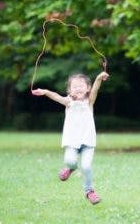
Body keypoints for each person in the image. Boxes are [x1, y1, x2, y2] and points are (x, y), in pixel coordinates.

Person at [32, 71, 109, 205]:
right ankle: (71, 168)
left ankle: (89, 191)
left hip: (88, 142)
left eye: (81, 85)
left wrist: (98, 78)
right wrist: (45, 91)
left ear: (88, 88)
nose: (78, 88)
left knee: (86, 167)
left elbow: (96, 88)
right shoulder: (69, 102)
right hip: (72, 142)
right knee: (70, 160)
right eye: (74, 86)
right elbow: (56, 96)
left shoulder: (89, 102)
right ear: (69, 90)